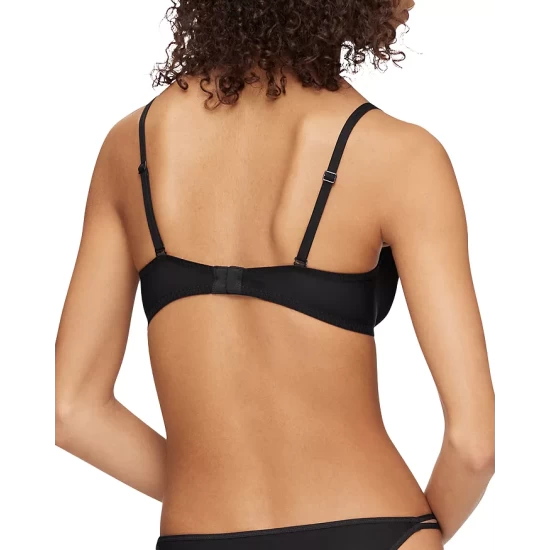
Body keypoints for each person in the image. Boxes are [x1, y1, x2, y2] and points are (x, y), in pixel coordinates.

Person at [54, 1, 495, 549]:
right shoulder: (400, 154)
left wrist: (209, 486)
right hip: (375, 527)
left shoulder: (131, 145)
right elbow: (475, 444)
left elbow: (71, 409)